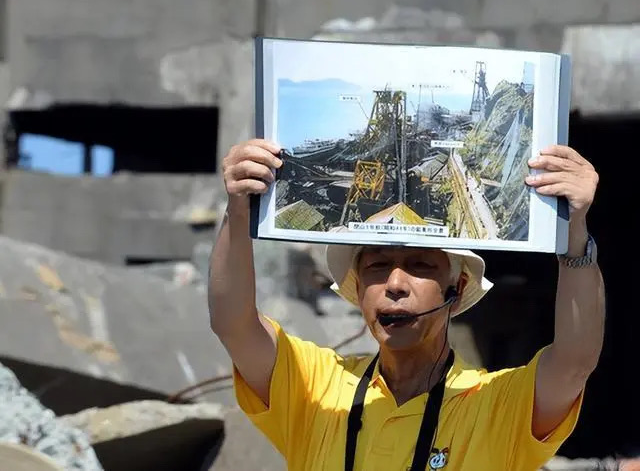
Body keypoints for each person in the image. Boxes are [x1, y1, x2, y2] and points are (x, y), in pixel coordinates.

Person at [209, 138, 604, 471]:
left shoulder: (495, 403)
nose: (396, 284)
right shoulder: (317, 387)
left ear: (458, 285)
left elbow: (574, 361)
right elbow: (234, 325)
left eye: (420, 265)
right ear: (358, 286)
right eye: (378, 266)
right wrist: (238, 209)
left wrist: (574, 235)